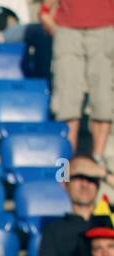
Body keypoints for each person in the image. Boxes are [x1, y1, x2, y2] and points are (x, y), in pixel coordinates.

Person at [50, 0, 113, 159]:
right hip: (67, 28)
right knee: (66, 103)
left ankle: (98, 163)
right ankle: (64, 167)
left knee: (103, 99)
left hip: (105, 26)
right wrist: (45, 10)